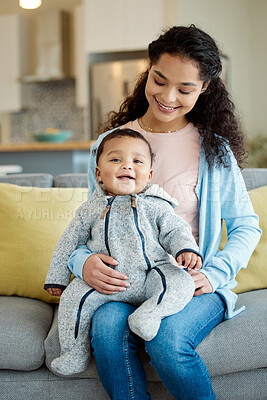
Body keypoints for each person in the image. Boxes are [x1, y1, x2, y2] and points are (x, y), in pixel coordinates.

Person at [67, 25, 261, 399]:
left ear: (204, 89)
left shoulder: (213, 151)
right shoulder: (110, 145)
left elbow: (245, 225)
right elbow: (87, 224)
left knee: (168, 343)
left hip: (189, 284)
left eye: (185, 89)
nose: (168, 97)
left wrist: (216, 273)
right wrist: (83, 262)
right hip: (125, 283)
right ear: (148, 69)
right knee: (106, 330)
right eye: (159, 80)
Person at [44, 128, 202, 376]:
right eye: (116, 159)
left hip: (152, 274)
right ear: (98, 173)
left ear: (149, 174)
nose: (127, 166)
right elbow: (68, 242)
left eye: (137, 161)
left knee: (181, 282)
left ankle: (150, 314)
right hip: (107, 282)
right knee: (73, 299)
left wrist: (186, 249)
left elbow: (175, 230)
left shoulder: (156, 205)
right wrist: (57, 277)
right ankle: (73, 353)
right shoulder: (90, 209)